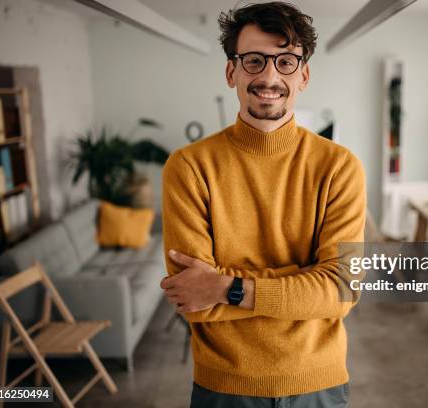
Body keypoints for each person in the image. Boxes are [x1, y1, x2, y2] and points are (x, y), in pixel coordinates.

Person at [159, 2, 366, 407]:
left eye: (286, 61)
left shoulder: (339, 167)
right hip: (225, 387)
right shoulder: (189, 167)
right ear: (231, 71)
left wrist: (226, 287)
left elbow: (340, 291)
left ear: (303, 74)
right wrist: (302, 282)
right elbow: (194, 302)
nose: (269, 76)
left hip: (318, 385)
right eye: (254, 61)